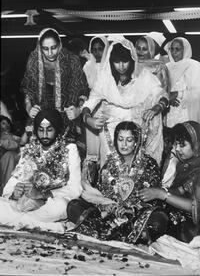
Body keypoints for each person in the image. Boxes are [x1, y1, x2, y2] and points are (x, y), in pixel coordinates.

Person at [68, 121, 167, 244]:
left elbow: (155, 200)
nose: (124, 144)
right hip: (108, 217)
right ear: (115, 141)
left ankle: (107, 233)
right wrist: (106, 206)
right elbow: (99, 195)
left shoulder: (148, 164)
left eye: (129, 140)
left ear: (136, 142)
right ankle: (116, 234)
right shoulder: (109, 164)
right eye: (120, 139)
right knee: (73, 205)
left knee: (158, 220)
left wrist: (131, 210)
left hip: (135, 218)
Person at [82, 36, 169, 166]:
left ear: (132, 60)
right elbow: (90, 102)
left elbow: (162, 95)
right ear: (111, 62)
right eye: (117, 62)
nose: (121, 66)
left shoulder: (144, 76)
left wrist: (156, 108)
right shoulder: (105, 80)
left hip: (137, 128)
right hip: (110, 130)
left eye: (125, 61)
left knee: (136, 168)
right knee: (112, 169)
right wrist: (88, 118)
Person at [0, 109, 82, 233]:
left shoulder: (69, 149)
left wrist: (42, 195)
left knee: (61, 207)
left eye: (49, 130)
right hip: (25, 204)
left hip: (49, 204)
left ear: (57, 129)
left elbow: (75, 189)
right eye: (40, 130)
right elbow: (10, 185)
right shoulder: (29, 149)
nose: (44, 135)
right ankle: (41, 225)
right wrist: (14, 193)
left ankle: (19, 221)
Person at [20, 28, 89, 161]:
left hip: (67, 118)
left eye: (54, 47)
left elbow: (82, 90)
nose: (50, 53)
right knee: (36, 161)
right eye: (45, 49)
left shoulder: (72, 60)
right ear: (40, 47)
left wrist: (78, 110)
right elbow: (27, 89)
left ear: (60, 45)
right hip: (42, 118)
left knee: (67, 160)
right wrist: (29, 107)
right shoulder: (33, 60)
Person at [137, 121, 200, 243]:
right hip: (180, 217)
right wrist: (156, 191)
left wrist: (162, 195)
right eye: (175, 144)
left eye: (182, 145)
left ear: (196, 146)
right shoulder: (187, 166)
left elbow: (195, 207)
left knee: (155, 223)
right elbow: (180, 190)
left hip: (192, 229)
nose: (176, 149)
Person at [164, 37, 200, 127]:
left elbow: (197, 92)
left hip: (187, 112)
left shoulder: (194, 66)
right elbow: (161, 90)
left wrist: (177, 94)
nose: (174, 52)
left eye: (177, 49)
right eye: (171, 49)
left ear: (185, 50)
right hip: (169, 113)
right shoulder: (166, 67)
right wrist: (167, 98)